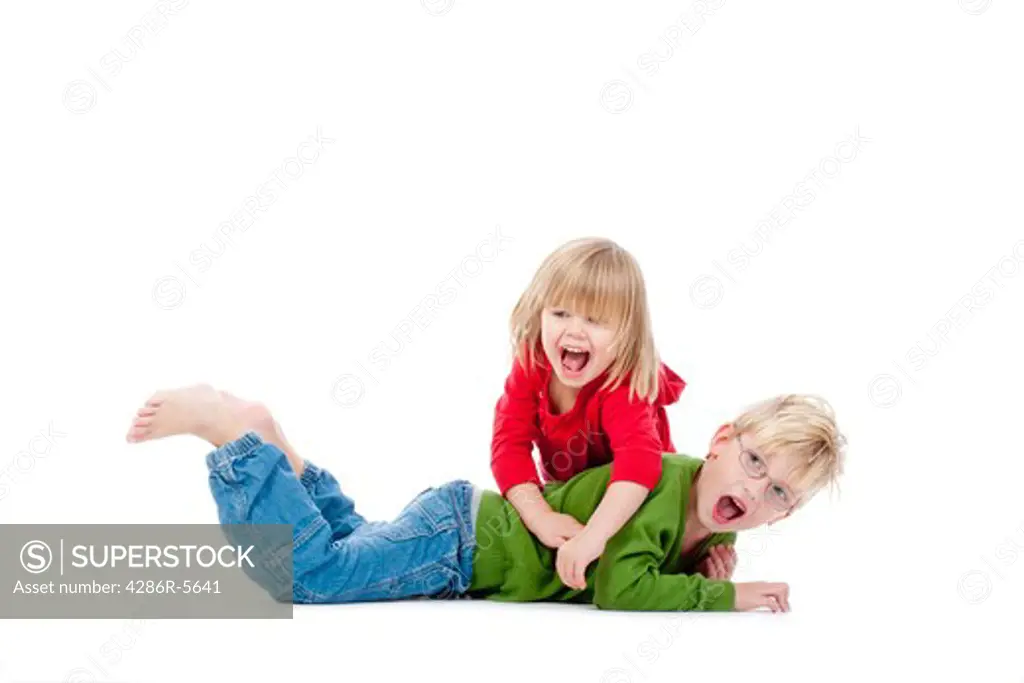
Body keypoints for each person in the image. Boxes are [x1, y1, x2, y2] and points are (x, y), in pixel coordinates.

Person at [126, 385, 844, 611]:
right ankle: (233, 442)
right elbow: (623, 586)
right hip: (464, 543)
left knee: (353, 539)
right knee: (311, 574)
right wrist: (729, 596)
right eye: (754, 461)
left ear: (789, 512)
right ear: (720, 440)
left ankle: (278, 449)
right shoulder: (655, 479)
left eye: (779, 492)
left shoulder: (711, 527)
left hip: (460, 525)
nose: (755, 490)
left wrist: (704, 566)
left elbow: (652, 567)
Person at [493, 237, 686, 588]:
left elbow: (639, 465)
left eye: (596, 320)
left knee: (632, 563)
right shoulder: (532, 362)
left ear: (627, 334)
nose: (575, 330)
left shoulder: (620, 384)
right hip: (576, 493)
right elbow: (509, 445)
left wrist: (593, 538)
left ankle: (693, 552)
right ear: (540, 312)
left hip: (643, 499)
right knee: (528, 529)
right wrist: (541, 518)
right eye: (560, 313)